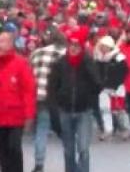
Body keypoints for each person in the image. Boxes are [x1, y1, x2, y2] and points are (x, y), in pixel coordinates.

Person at [48, 29, 102, 172]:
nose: (73, 48)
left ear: (82, 47)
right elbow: (52, 87)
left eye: (76, 46)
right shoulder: (60, 63)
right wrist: (55, 107)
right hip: (65, 110)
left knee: (83, 147)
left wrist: (89, 98)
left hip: (84, 111)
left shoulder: (87, 62)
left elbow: (97, 84)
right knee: (68, 149)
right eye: (71, 45)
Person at [0, 31, 36, 172]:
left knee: (14, 148)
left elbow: (28, 90)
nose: (3, 43)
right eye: (0, 40)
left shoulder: (20, 63)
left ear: (12, 43)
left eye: (6, 40)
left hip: (16, 116)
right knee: (2, 150)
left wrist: (29, 115)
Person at [29, 31, 65, 172]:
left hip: (39, 95)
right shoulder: (64, 54)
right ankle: (71, 158)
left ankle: (39, 162)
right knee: (65, 129)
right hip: (57, 97)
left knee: (41, 129)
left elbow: (29, 73)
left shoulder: (36, 53)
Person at [93, 36, 129, 140]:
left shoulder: (119, 58)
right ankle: (108, 130)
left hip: (117, 87)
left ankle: (125, 128)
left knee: (119, 110)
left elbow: (124, 72)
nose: (104, 49)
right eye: (102, 46)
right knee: (105, 109)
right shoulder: (98, 58)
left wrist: (115, 85)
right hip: (103, 88)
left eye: (106, 47)